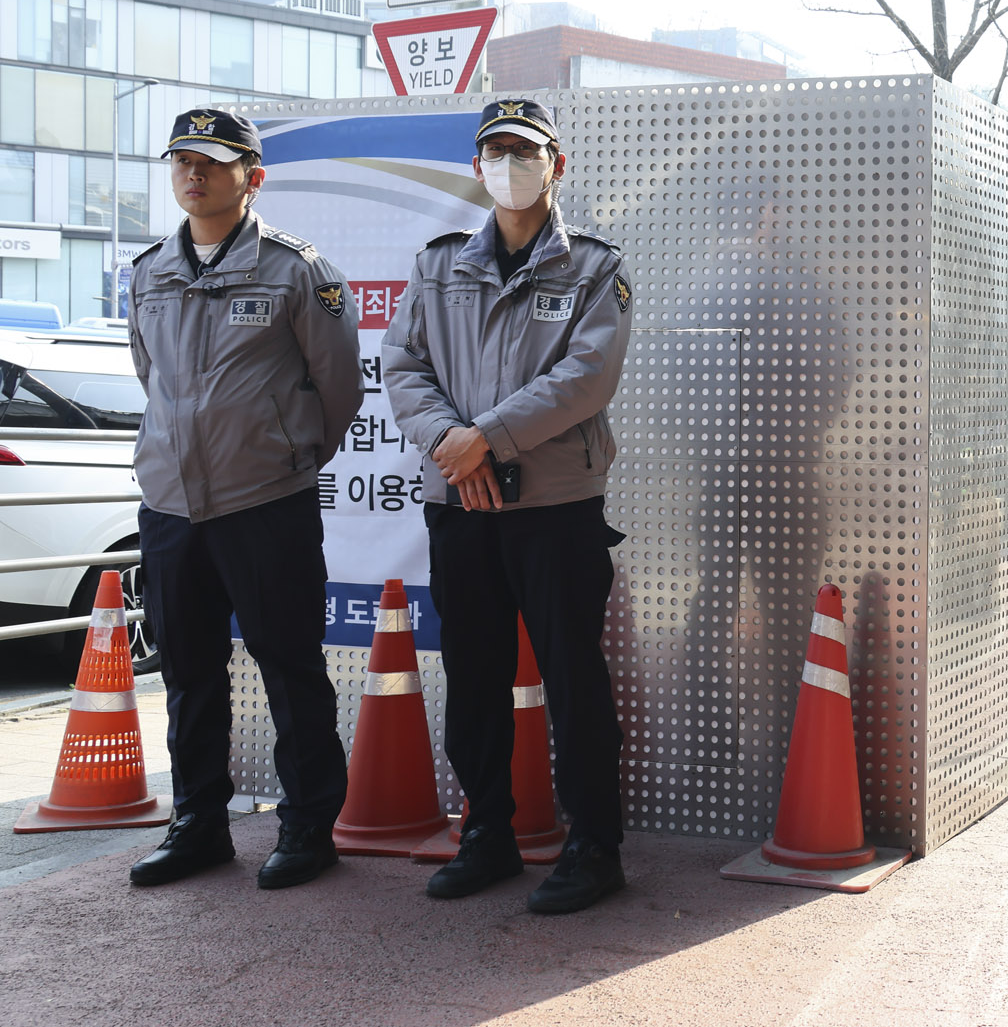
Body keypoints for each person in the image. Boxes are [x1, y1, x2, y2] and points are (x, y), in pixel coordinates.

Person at [383, 98, 632, 915]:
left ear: (557, 164)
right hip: (461, 500)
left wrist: (482, 436)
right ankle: (486, 832)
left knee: (573, 678)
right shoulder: (438, 263)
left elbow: (585, 379)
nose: (508, 163)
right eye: (494, 149)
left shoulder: (595, 267)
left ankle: (594, 846)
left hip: (556, 506)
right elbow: (403, 364)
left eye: (525, 149)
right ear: (478, 164)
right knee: (476, 674)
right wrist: (451, 443)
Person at [125, 109, 363, 889]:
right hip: (170, 506)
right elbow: (152, 379)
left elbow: (338, 390)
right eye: (182, 161)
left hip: (265, 502)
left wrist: (282, 456)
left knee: (289, 664)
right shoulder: (149, 270)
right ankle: (197, 821)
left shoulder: (298, 270)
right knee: (188, 671)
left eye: (212, 162)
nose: (193, 174)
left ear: (252, 177)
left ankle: (306, 824)